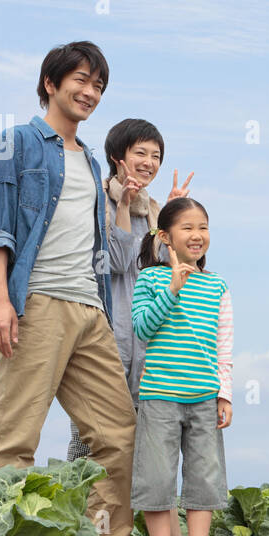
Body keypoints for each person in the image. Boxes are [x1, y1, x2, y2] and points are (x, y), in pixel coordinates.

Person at [0, 41, 137, 536]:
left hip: (91, 310)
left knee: (117, 434)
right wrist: (2, 303)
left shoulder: (90, 160)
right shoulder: (16, 142)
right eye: (81, 80)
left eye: (99, 86)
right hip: (37, 303)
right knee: (13, 437)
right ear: (51, 83)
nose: (90, 92)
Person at [65, 119, 193, 463]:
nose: (149, 162)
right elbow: (117, 262)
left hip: (148, 342)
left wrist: (171, 218)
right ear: (116, 156)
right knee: (90, 441)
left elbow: (171, 271)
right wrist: (122, 205)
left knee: (141, 447)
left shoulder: (154, 212)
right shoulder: (96, 201)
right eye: (140, 152)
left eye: (156, 155)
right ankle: (81, 513)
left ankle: (128, 516)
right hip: (106, 336)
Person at [129, 197, 233, 536]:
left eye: (203, 227)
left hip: (205, 398)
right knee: (156, 477)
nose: (197, 235)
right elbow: (142, 329)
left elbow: (224, 344)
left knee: (204, 478)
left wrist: (225, 394)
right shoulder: (150, 279)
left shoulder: (216, 285)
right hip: (158, 396)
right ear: (165, 237)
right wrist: (172, 288)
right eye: (187, 227)